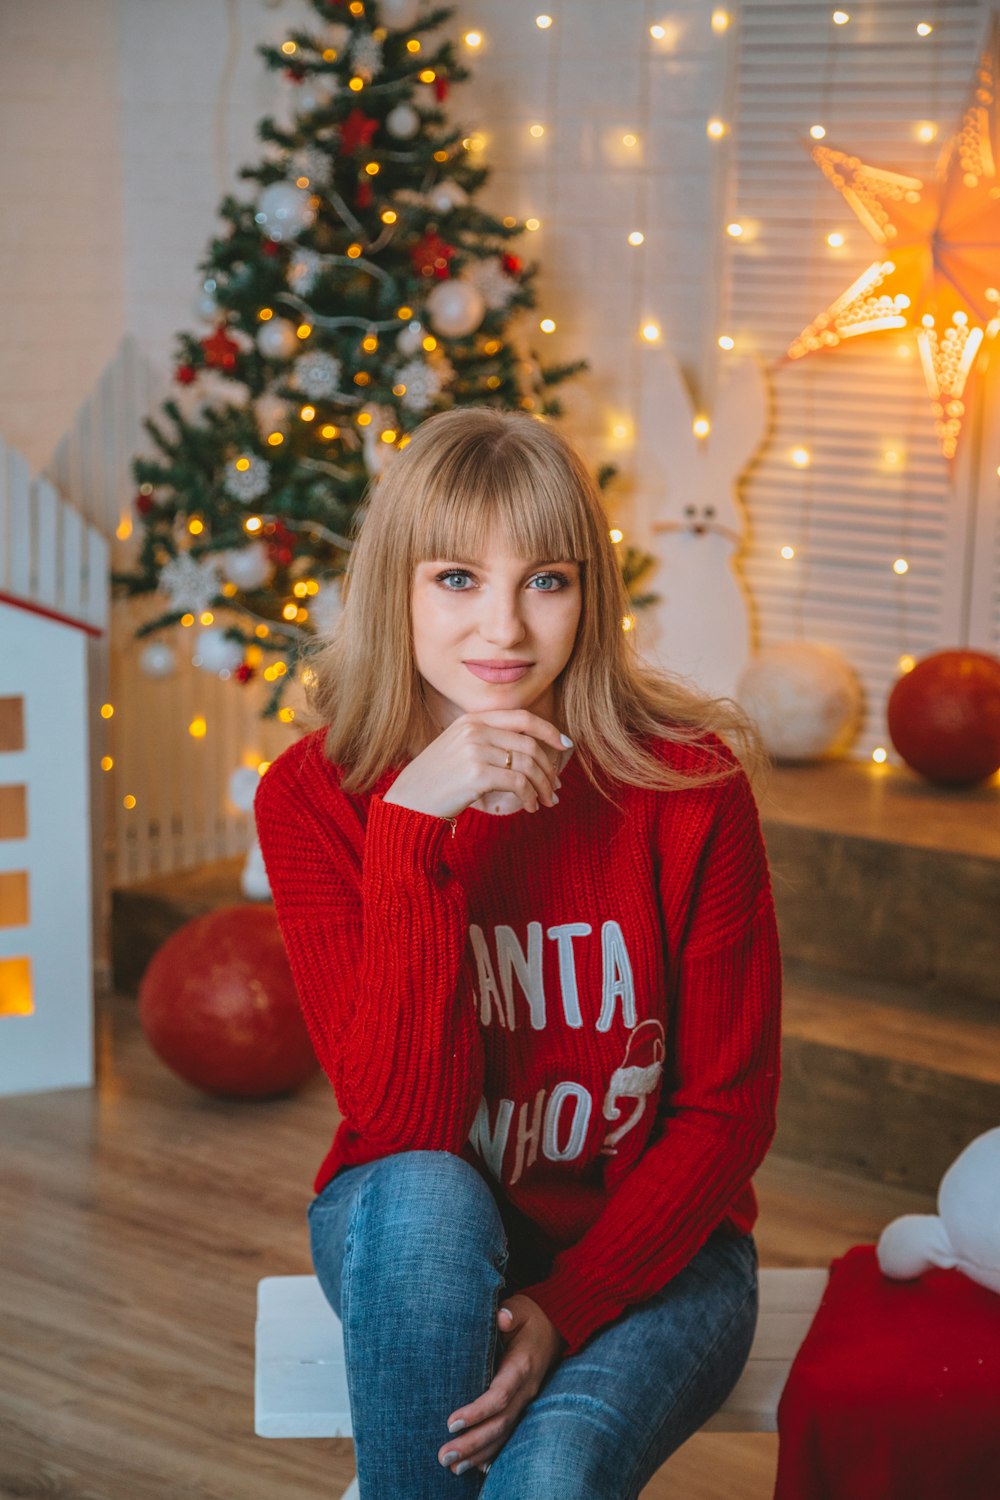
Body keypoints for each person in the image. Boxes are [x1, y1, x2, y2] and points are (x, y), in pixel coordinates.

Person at [254, 405, 782, 1499]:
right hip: (408, 1245)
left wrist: (567, 1307)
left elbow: (726, 1114)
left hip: (660, 1259)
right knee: (427, 1197)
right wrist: (412, 826)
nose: (503, 629)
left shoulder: (686, 791)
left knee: (551, 1477)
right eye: (456, 579)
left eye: (544, 580)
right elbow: (403, 1133)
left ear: (588, 594)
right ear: (394, 584)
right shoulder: (316, 798)